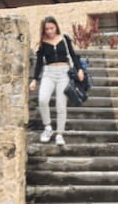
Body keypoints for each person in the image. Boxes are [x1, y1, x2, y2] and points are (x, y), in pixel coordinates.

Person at [29, 16, 84, 145]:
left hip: (64, 73)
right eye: (46, 29)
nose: (49, 31)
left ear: (56, 26)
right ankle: (48, 127)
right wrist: (35, 79)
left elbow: (73, 55)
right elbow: (38, 63)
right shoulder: (42, 43)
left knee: (61, 104)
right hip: (48, 73)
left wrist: (79, 69)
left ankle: (60, 134)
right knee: (42, 99)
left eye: (51, 28)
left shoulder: (64, 39)